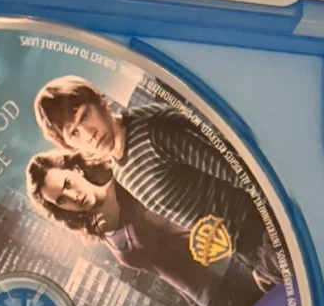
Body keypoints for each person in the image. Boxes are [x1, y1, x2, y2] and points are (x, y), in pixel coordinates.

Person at [33, 77, 283, 289]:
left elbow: (245, 175)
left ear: (98, 100)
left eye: (85, 115)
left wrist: (275, 244)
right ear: (69, 145)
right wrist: (257, 265)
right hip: (253, 253)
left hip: (266, 234)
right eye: (74, 133)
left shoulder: (153, 132)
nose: (89, 134)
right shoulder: (120, 168)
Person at [26, 151, 265, 306]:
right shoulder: (100, 232)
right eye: (61, 200)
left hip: (231, 269)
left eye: (67, 184)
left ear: (76, 170)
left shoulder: (126, 182)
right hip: (212, 299)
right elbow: (163, 269)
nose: (72, 196)